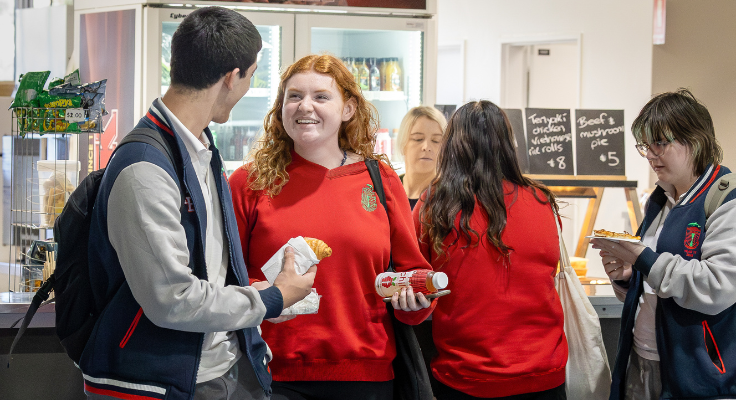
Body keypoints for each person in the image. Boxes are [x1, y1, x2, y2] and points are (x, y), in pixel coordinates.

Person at [82, 7, 316, 400]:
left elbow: (201, 272)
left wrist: (251, 294)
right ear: (231, 77)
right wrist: (270, 299)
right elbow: (171, 298)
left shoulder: (197, 148)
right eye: (252, 74)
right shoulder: (145, 167)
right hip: (154, 381)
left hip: (205, 371)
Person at [229, 54, 435, 400]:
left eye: (321, 97)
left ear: (348, 109)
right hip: (270, 374)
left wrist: (415, 302)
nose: (304, 106)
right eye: (293, 96)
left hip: (366, 375)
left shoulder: (380, 180)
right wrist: (264, 291)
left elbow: (414, 270)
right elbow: (223, 278)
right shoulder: (249, 182)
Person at [414, 101, 567, 400]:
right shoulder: (542, 201)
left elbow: (411, 277)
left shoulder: (434, 205)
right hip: (543, 376)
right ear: (508, 145)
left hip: (465, 378)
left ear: (451, 146)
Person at [591, 89, 736, 400]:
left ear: (695, 140)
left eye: (660, 143)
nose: (650, 155)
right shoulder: (660, 200)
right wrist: (625, 277)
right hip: (641, 357)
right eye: (646, 145)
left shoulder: (724, 199)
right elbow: (651, 285)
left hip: (695, 374)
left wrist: (645, 258)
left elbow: (717, 286)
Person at [397, 106, 447, 210]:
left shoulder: (448, 197)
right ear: (403, 144)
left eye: (436, 140)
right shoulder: (388, 189)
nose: (427, 147)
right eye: (418, 139)